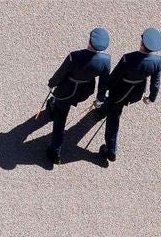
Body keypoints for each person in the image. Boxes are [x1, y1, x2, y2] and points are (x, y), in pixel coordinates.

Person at [41, 27, 111, 166]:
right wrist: (100, 99)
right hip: (83, 92)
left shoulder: (74, 56)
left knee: (60, 119)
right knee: (61, 113)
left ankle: (55, 151)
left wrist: (51, 84)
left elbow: (61, 73)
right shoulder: (106, 60)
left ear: (89, 40)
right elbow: (103, 83)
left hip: (65, 91)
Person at [99, 28, 161, 163]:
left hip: (118, 93)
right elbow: (155, 84)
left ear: (142, 43)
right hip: (135, 94)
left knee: (113, 119)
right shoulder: (157, 62)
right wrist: (151, 98)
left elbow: (114, 77)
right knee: (114, 107)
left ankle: (111, 150)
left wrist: (103, 91)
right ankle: (105, 107)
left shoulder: (128, 58)